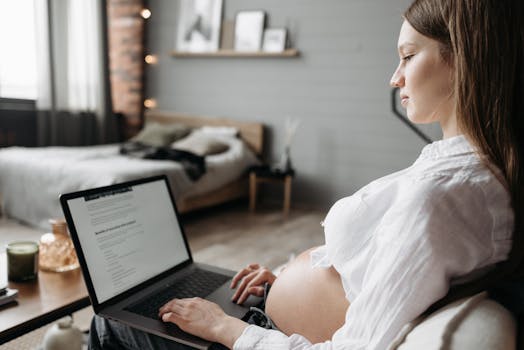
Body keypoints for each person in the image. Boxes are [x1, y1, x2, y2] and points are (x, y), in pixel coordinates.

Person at [89, 0, 524, 348]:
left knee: (110, 322)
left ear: (465, 59)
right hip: (269, 311)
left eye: (408, 56)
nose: (395, 78)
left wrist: (224, 328)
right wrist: (289, 282)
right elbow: (394, 276)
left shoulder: (444, 192)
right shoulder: (472, 171)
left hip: (269, 335)